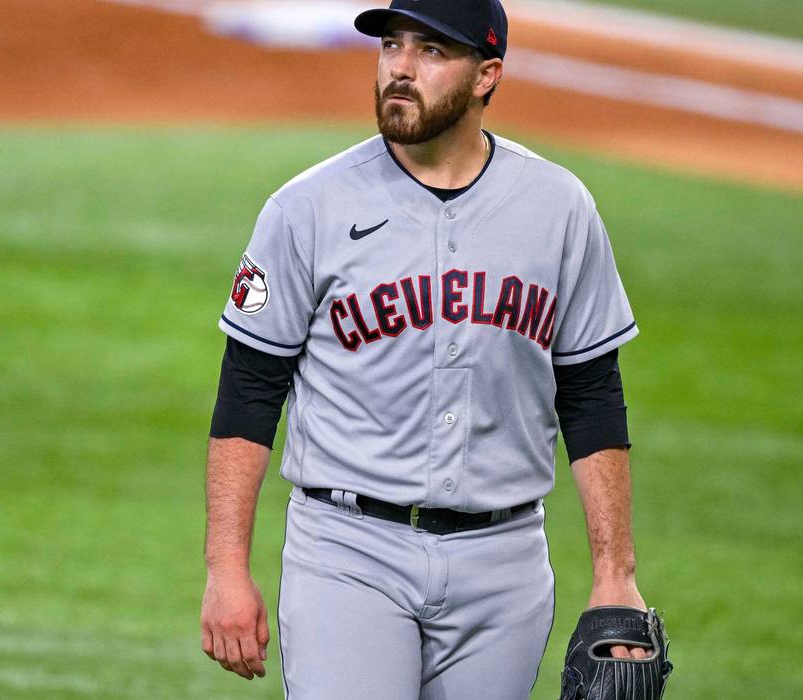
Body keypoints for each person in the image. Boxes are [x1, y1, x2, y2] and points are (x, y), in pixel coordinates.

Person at [199, 1, 658, 697]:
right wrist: (225, 569)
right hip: (348, 554)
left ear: (486, 75)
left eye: (432, 51)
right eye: (392, 46)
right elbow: (249, 393)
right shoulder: (306, 208)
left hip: (503, 565)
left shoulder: (558, 209)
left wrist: (614, 576)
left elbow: (591, 395)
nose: (401, 69)